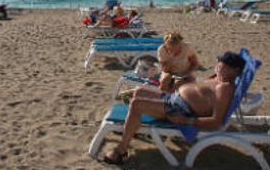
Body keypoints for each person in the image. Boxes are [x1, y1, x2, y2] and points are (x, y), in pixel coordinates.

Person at [101, 51, 246, 164]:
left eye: (223, 65)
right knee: (139, 91)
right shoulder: (217, 77)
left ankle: (121, 151)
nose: (218, 65)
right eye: (219, 62)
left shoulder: (225, 88)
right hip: (173, 99)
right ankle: (132, 126)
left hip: (179, 110)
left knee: (137, 104)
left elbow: (217, 121)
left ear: (236, 71)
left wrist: (187, 121)